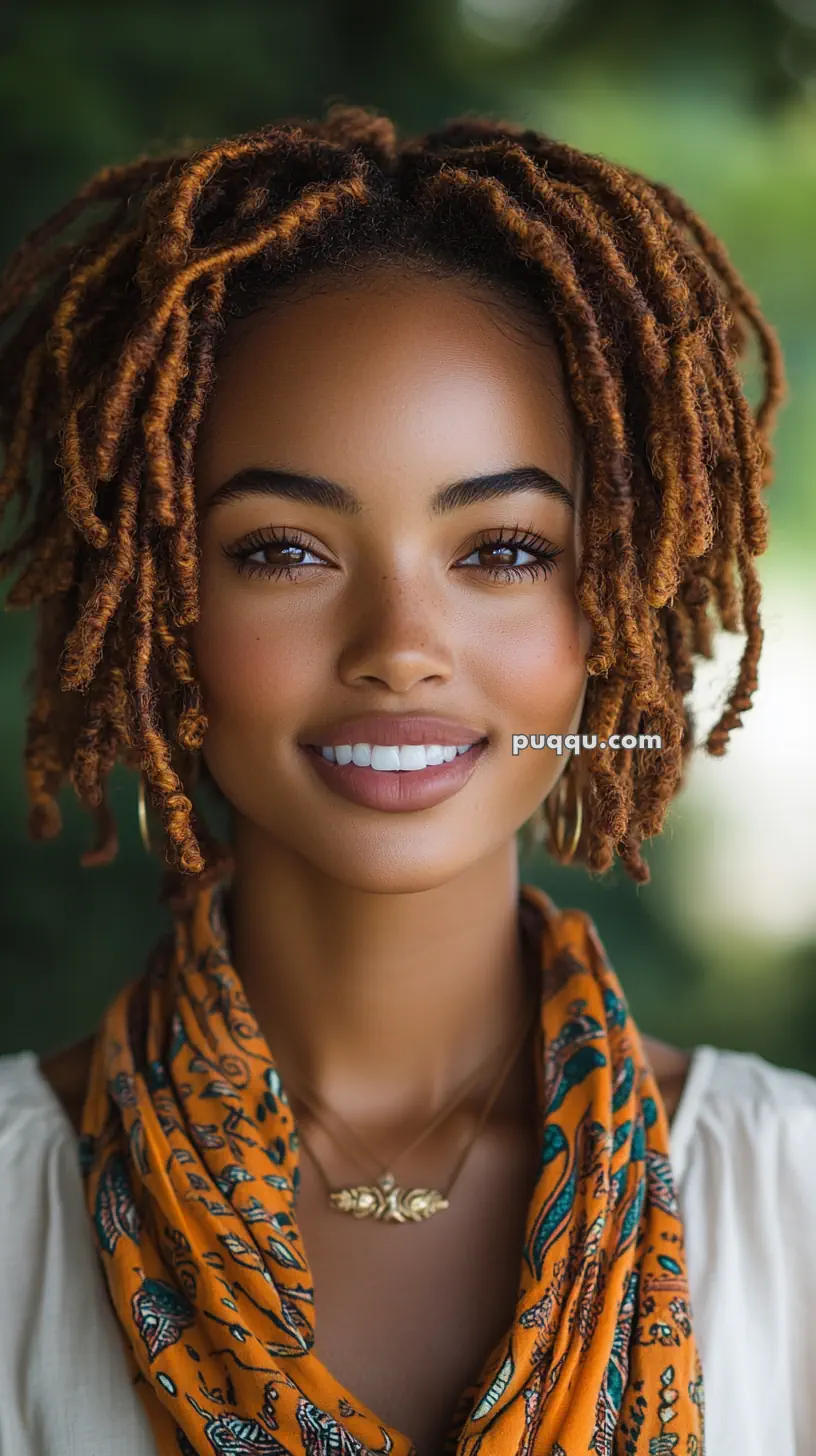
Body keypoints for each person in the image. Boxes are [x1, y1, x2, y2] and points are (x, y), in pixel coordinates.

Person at [0, 102, 814, 1456]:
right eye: (283, 550)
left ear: (614, 599)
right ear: (154, 599)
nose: (399, 652)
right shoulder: (16, 1210)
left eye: (499, 551)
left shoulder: (787, 1199)